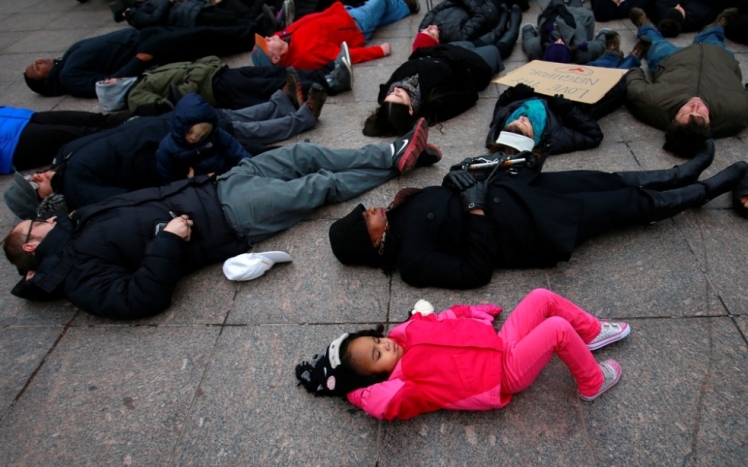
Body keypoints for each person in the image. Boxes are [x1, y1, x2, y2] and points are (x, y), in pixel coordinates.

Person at [2, 119, 441, 319]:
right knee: (318, 186)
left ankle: (389, 152)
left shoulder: (76, 224)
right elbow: (138, 300)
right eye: (36, 226)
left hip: (215, 186)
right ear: (30, 246)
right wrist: (168, 241)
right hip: (228, 219)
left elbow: (141, 199)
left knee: (304, 153)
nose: (46, 221)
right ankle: (396, 162)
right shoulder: (77, 275)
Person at [329, 141, 748, 289]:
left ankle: (681, 172)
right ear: (369, 242)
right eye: (366, 218)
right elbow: (475, 272)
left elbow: (445, 195)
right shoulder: (412, 264)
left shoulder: (401, 207)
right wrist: (474, 208)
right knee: (623, 206)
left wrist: (458, 181)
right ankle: (704, 191)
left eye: (366, 209)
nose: (373, 209)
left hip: (522, 191)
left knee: (605, 179)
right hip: (530, 227)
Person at [295, 290, 629, 419]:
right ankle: (592, 382)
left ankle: (590, 333)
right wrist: (349, 390)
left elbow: (439, 318)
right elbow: (380, 404)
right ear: (377, 376)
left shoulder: (407, 333)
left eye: (376, 341)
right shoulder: (405, 384)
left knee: (541, 297)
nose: (385, 346)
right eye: (377, 356)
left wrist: (470, 310)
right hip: (504, 373)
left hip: (499, 343)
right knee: (556, 328)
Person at [3, 86, 328, 219]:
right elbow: (128, 199)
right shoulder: (77, 190)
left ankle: (283, 109)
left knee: (226, 120)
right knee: (241, 142)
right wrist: (180, 183)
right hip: (170, 152)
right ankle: (300, 137)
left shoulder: (63, 157)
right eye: (34, 185)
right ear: (43, 203)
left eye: (31, 175)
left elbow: (103, 131)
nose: (37, 176)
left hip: (156, 126)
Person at [626, 7, 748, 156]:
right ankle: (716, 27)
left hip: (672, 59)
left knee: (655, 43)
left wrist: (632, 65)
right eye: (702, 115)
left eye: (686, 113)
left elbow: (634, 87)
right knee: (713, 39)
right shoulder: (736, 113)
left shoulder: (653, 104)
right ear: (709, 123)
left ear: (673, 120)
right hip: (718, 58)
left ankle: (644, 26)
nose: (695, 106)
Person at [362, 12, 522, 137]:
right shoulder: (433, 105)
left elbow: (412, 61)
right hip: (474, 64)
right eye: (399, 96)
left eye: (390, 94)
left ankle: (503, 17)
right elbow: (469, 95)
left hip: (446, 50)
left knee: (491, 35)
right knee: (501, 44)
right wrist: (458, 63)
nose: (395, 90)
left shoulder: (391, 91)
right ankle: (515, 24)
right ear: (410, 109)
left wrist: (433, 50)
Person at [23, 25, 259, 98]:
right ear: (45, 82)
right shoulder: (69, 78)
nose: (38, 61)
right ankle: (256, 33)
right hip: (144, 50)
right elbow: (108, 85)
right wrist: (140, 59)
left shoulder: (65, 61)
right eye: (36, 68)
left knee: (199, 31)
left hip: (143, 37)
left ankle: (254, 25)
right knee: (203, 36)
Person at [96, 55, 350, 115]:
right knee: (270, 83)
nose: (111, 79)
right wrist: (194, 83)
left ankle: (326, 70)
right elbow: (168, 103)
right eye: (107, 84)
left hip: (216, 72)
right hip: (212, 88)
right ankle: (329, 82)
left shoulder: (143, 77)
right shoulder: (135, 96)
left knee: (274, 71)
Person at [484, 83, 625, 168]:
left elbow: (501, 105)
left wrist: (512, 93)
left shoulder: (500, 125)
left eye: (514, 120)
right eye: (524, 124)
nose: (522, 117)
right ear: (533, 137)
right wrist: (568, 110)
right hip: (585, 97)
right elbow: (594, 136)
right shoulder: (554, 138)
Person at [250, 0, 410, 69]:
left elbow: (279, 34)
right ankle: (400, 4)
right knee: (378, 4)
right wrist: (378, 51)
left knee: (380, 15)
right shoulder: (306, 54)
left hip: (342, 16)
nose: (268, 37)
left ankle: (405, 6)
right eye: (266, 43)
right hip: (354, 26)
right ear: (277, 58)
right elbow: (343, 55)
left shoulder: (283, 38)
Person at [0, 106, 132, 175]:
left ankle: (148, 113)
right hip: (15, 143)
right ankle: (142, 131)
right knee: (89, 134)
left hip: (22, 117)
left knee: (98, 120)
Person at [154, 94, 252, 184]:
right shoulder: (167, 150)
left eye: (201, 135)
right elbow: (171, 184)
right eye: (190, 132)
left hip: (229, 175)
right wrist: (193, 180)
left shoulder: (215, 134)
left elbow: (236, 150)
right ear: (181, 126)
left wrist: (249, 167)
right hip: (202, 189)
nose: (194, 138)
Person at [521, 0, 617, 64]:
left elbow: (527, 38)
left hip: (553, 14)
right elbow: (599, 45)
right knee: (576, 2)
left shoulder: (536, 49)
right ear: (569, 50)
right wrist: (603, 33)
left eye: (554, 43)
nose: (559, 40)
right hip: (577, 16)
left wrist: (528, 28)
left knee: (555, 2)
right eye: (562, 44)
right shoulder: (582, 52)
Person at [111, 0, 265, 29]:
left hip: (195, 9)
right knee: (230, 20)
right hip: (190, 18)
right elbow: (154, 20)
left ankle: (260, 18)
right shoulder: (137, 13)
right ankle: (260, 22)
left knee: (230, 15)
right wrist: (169, 1)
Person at [416, 0, 504, 43]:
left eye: (425, 30)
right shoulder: (457, 37)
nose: (430, 27)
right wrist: (464, 1)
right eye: (431, 33)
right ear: (437, 41)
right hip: (486, 8)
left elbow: (435, 10)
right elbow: (480, 17)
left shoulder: (424, 26)